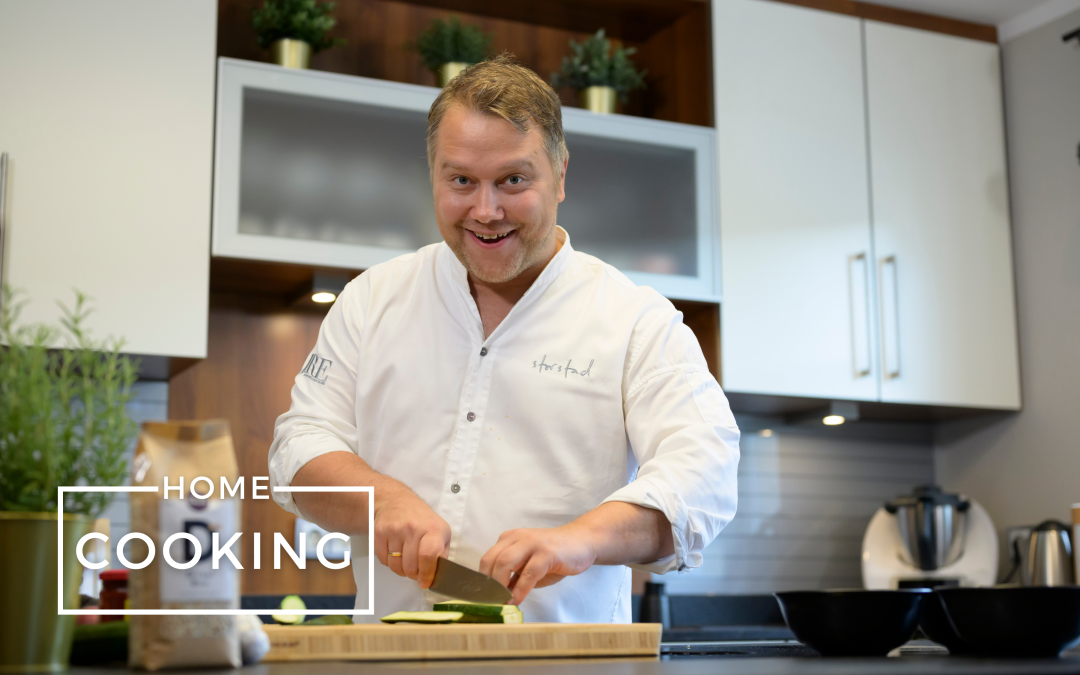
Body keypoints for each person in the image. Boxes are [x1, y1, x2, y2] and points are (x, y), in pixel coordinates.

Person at [268, 55, 740, 623]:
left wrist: (581, 539)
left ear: (561, 175)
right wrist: (379, 500)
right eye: (461, 180)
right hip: (391, 659)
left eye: (513, 180)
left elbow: (703, 476)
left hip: (567, 667)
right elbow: (298, 447)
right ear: (434, 175)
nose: (486, 211)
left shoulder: (637, 321)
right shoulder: (372, 300)